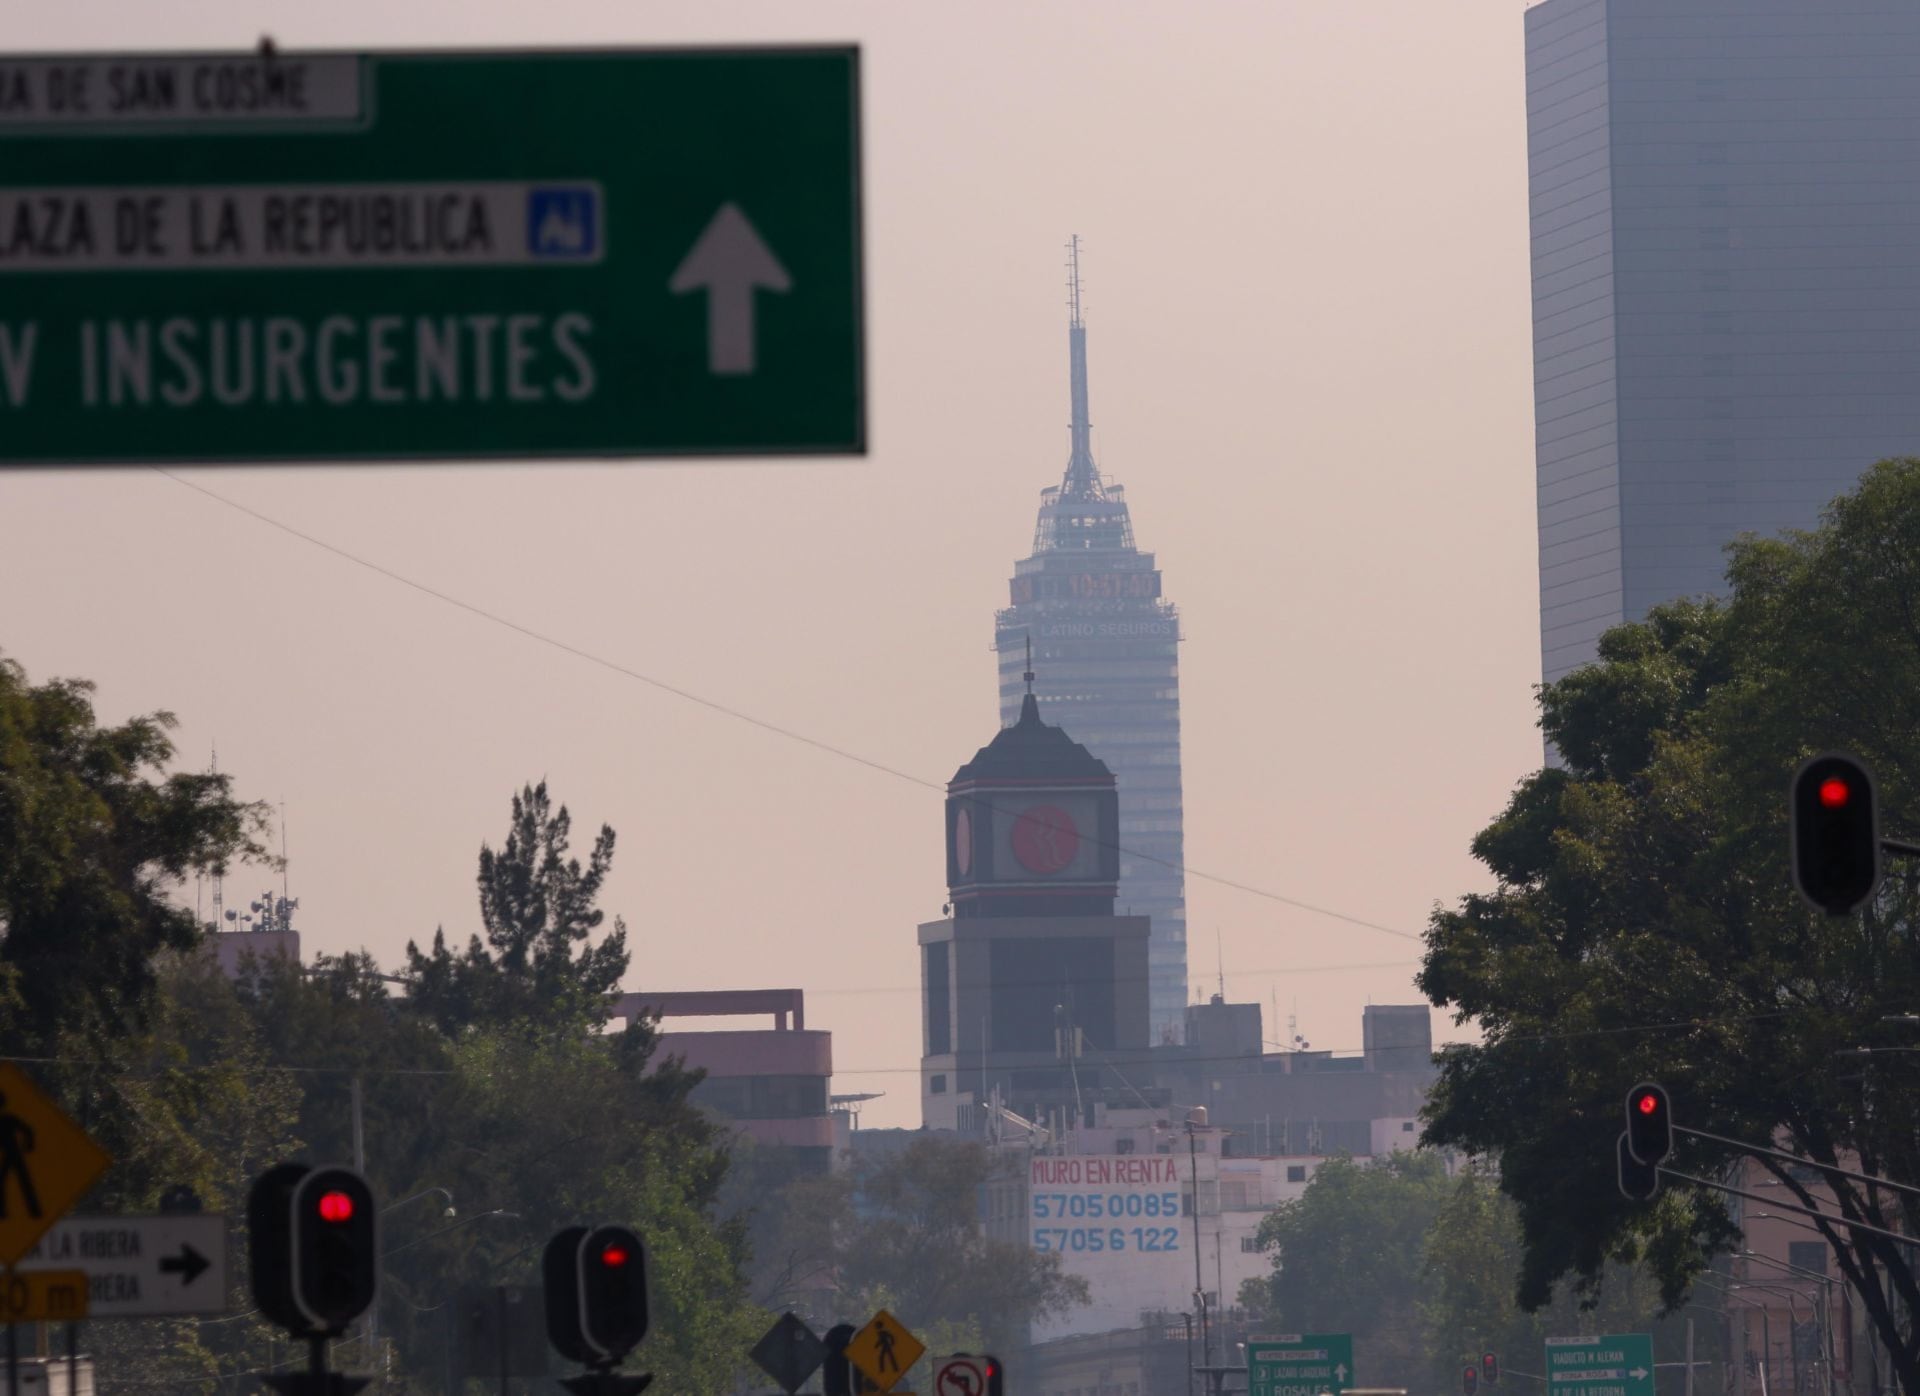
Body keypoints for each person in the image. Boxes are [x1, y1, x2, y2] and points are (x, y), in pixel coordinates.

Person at [0, 1090, 43, 1220]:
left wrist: (29, 1145)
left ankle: (34, 1210)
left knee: (23, 1180)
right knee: (16, 1180)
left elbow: (27, 1130)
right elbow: (27, 1130)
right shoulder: (8, 1119)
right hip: (10, 1154)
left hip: (15, 1153)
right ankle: (4, 1211)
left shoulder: (9, 1119)